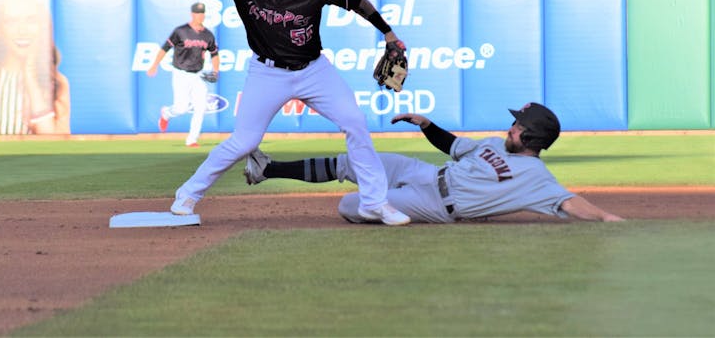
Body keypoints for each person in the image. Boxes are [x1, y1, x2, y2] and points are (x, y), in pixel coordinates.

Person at [170, 0, 411, 226]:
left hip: (314, 70)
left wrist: (388, 33)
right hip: (267, 73)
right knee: (244, 141)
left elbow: (356, 0)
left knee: (355, 122)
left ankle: (374, 203)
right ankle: (187, 194)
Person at [243, 102, 625, 224]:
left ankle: (386, 204)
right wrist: (427, 125)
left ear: (531, 138)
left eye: (517, 126)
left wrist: (608, 218)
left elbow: (568, 201)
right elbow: (453, 146)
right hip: (426, 173)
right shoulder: (495, 143)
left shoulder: (536, 177)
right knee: (356, 161)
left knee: (348, 205)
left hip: (436, 205)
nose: (510, 127)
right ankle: (267, 169)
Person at [0, 0, 70, 135]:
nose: (22, 30)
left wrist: (32, 79)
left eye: (31, 20)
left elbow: (55, 142)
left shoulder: (58, 83)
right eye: (12, 21)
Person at [147, 2, 219, 148]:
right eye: (197, 13)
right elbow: (165, 48)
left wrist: (216, 71)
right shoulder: (180, 31)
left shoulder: (208, 35)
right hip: (181, 73)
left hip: (198, 75)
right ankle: (166, 113)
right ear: (192, 14)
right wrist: (154, 65)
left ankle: (192, 139)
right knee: (181, 108)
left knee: (201, 108)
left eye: (202, 13)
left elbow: (214, 54)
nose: (200, 15)